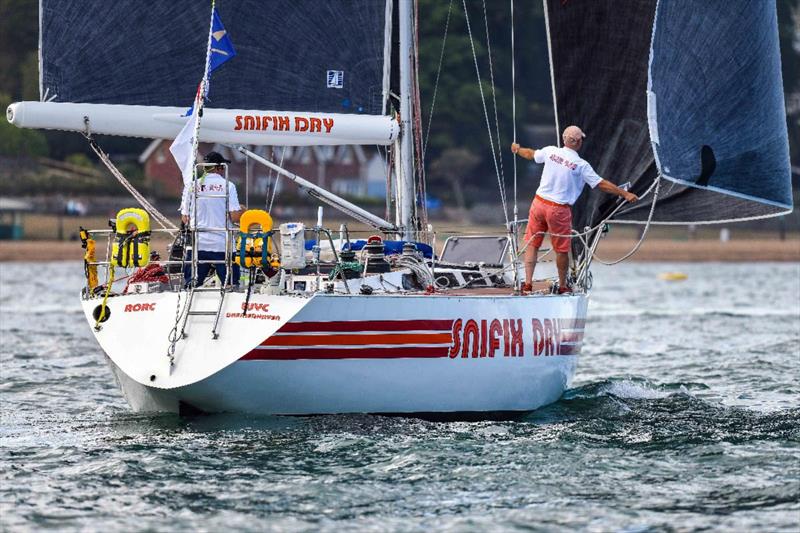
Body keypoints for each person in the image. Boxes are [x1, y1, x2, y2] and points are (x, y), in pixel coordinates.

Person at [511, 125, 638, 294]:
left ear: (564, 139)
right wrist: (624, 193)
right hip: (558, 209)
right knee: (562, 250)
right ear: (579, 143)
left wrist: (517, 149)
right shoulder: (581, 165)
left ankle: (527, 284)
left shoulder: (550, 151)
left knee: (533, 244)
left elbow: (531, 154)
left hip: (539, 203)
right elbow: (601, 184)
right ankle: (563, 286)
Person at [181, 151, 244, 287]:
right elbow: (234, 217)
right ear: (220, 168)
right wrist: (242, 210)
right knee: (231, 285)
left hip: (198, 245)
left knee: (191, 285)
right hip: (222, 244)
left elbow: (185, 218)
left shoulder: (191, 186)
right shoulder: (229, 186)